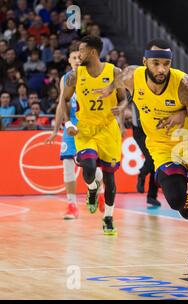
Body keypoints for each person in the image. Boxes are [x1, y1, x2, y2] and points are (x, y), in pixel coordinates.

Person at [95, 39, 188, 288]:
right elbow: (118, 78)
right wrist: (109, 91)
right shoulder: (132, 76)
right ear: (145, 63)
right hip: (162, 146)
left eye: (166, 64)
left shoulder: (185, 85)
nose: (161, 69)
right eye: (156, 63)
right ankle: (183, 200)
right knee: (176, 202)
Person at [60, 36, 128, 234]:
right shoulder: (74, 75)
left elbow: (124, 98)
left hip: (108, 130)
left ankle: (108, 217)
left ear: (92, 52)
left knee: (109, 177)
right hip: (85, 129)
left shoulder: (114, 72)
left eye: (81, 51)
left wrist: (120, 108)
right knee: (88, 168)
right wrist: (69, 123)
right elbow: (63, 100)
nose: (78, 55)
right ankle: (91, 189)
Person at [46, 44, 105, 219]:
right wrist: (56, 129)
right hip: (70, 128)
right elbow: (61, 104)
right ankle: (72, 205)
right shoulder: (65, 79)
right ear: (69, 61)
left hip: (88, 128)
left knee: (91, 167)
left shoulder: (92, 76)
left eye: (80, 58)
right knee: (67, 167)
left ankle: (99, 190)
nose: (77, 61)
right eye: (74, 58)